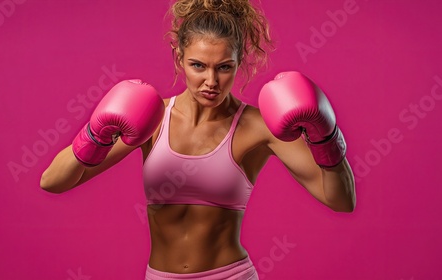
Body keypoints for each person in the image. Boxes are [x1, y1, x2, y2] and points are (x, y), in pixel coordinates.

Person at [40, 0, 356, 279]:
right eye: (198, 66)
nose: (211, 81)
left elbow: (342, 200)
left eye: (224, 68)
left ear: (239, 62)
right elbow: (53, 182)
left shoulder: (257, 127)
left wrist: (325, 137)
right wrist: (95, 134)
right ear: (179, 58)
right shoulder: (153, 118)